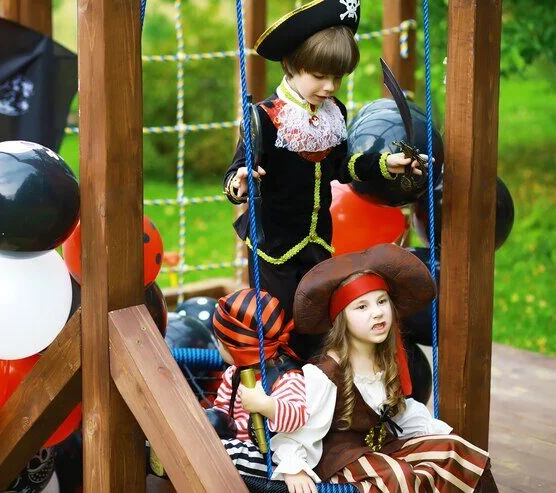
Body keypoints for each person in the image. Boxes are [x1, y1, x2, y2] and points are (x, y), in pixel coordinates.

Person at [223, 2, 426, 350]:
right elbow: (235, 172)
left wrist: (384, 164)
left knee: (316, 320)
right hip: (276, 247)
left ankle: (316, 382)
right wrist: (240, 182)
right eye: (320, 76)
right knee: (278, 319)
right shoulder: (265, 118)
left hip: (318, 241)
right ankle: (281, 384)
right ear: (293, 66)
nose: (330, 86)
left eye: (338, 77)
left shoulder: (335, 114)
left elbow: (341, 167)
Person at [267, 243, 497, 492]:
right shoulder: (324, 374)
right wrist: (294, 467)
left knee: (457, 451)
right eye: (362, 307)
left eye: (381, 301)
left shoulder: (385, 359)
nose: (377, 313)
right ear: (342, 319)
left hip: (382, 449)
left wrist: (436, 433)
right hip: (341, 461)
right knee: (397, 475)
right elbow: (301, 428)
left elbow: (401, 412)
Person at [210, 288, 307, 478]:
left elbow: (297, 417)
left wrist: (265, 405)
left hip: (270, 458)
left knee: (218, 452)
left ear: (239, 349)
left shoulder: (286, 378)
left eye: (221, 342)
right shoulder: (233, 374)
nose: (217, 346)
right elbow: (222, 410)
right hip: (237, 447)